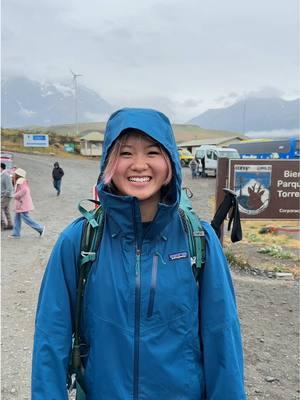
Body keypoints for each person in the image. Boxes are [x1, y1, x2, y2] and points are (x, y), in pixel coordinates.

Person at [32, 108, 246, 399]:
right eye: (126, 153)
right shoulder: (79, 240)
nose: (139, 165)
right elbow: (50, 341)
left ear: (170, 161)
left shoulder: (199, 241)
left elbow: (223, 342)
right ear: (109, 162)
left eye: (153, 153)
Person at [9, 168, 45, 239]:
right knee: (17, 218)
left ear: (18, 175)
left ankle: (40, 228)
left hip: (22, 204)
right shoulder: (20, 180)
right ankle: (16, 234)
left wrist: (15, 195)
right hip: (21, 204)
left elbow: (24, 190)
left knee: (25, 218)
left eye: (15, 174)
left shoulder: (21, 181)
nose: (14, 175)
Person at [1, 162, 14, 230]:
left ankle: (2, 225)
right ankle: (10, 225)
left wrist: (4, 196)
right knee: (6, 210)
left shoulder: (6, 175)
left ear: (1, 168)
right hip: (3, 195)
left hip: (7, 196)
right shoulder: (1, 175)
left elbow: (9, 188)